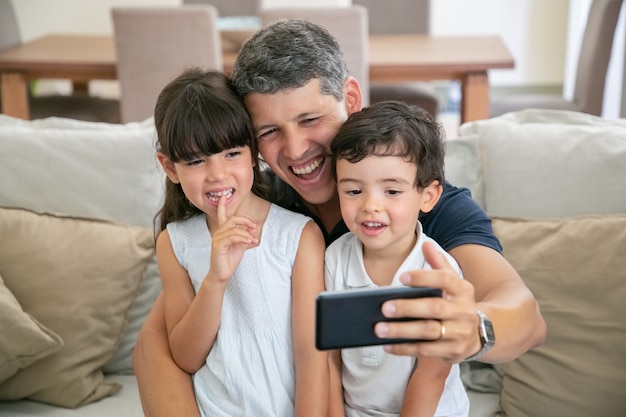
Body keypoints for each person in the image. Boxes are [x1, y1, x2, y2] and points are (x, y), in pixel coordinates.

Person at [132, 19, 546, 417]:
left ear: (350, 98)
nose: (295, 150)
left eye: (310, 120)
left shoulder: (423, 204)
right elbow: (155, 346)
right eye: (269, 132)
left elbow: (526, 316)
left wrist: (476, 329)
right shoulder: (255, 207)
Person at [151, 67, 328, 417]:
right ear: (170, 168)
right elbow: (186, 358)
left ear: (253, 153)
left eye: (232, 154)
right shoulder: (176, 242)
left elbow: (313, 357)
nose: (217, 174)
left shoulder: (298, 236)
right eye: (196, 161)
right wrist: (215, 280)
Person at [325, 101, 469, 417]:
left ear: (428, 195)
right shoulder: (335, 258)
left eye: (391, 192)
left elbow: (431, 374)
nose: (370, 206)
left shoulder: (438, 270)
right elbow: (330, 359)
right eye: (353, 191)